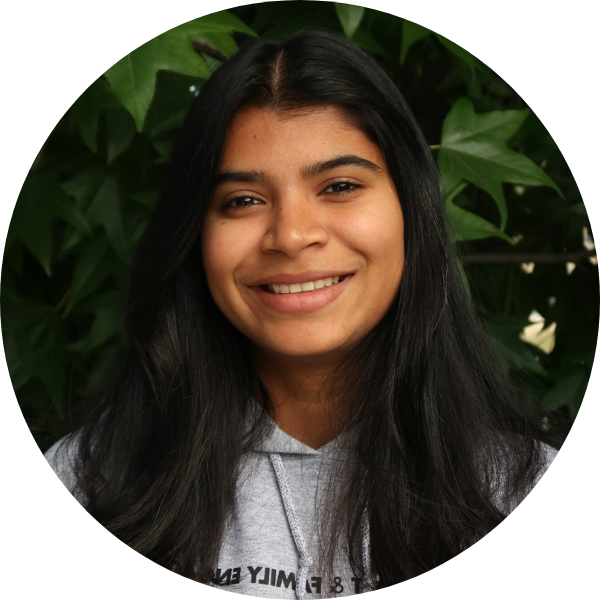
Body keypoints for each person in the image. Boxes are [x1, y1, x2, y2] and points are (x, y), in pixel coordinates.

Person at [44, 28, 560, 597]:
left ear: (412, 210)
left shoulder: (517, 487)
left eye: (339, 185)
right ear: (193, 235)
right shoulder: (91, 483)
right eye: (242, 200)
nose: (290, 236)